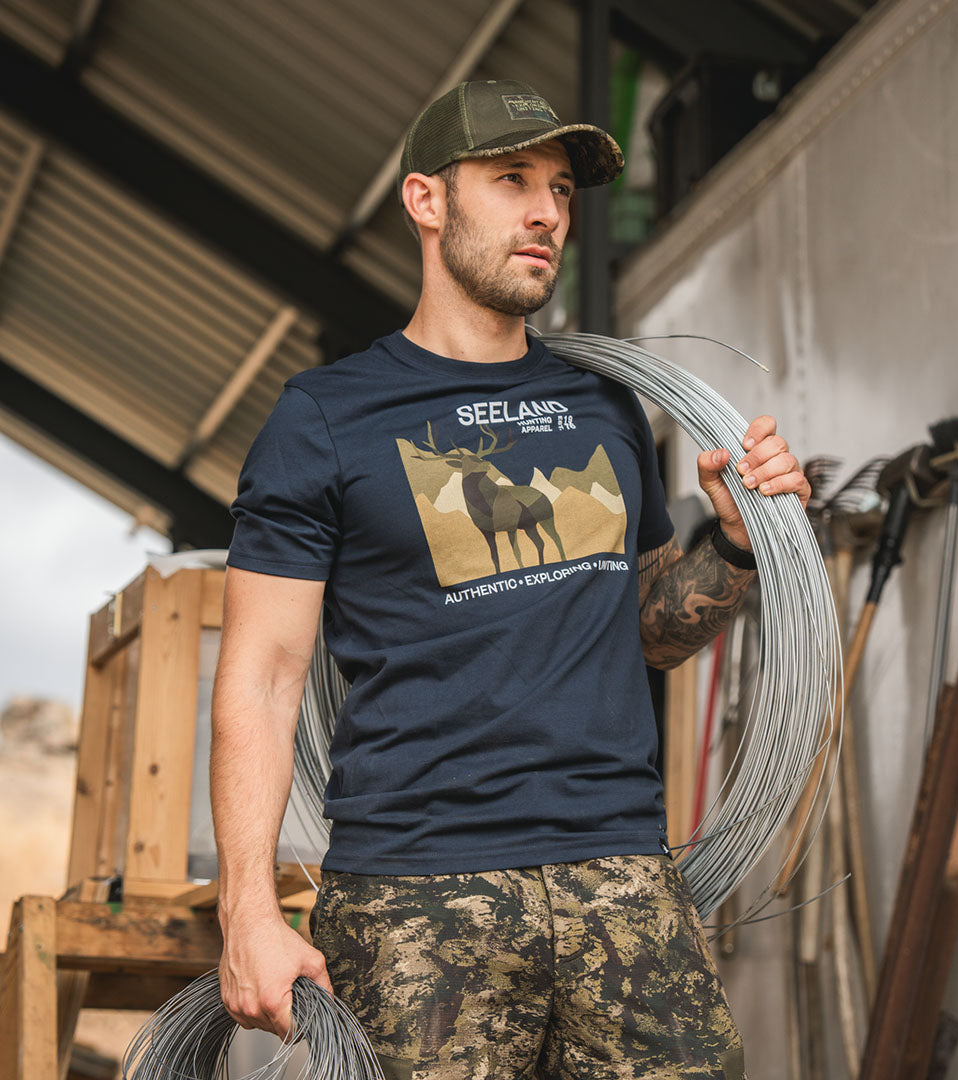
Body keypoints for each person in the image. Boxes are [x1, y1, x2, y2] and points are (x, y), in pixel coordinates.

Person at [211, 79, 810, 1080]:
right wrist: (247, 910)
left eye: (563, 190)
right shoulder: (324, 417)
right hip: (415, 896)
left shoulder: (606, 409)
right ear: (426, 201)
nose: (547, 212)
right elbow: (266, 675)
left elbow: (643, 632)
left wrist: (739, 541)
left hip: (623, 879)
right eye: (512, 180)